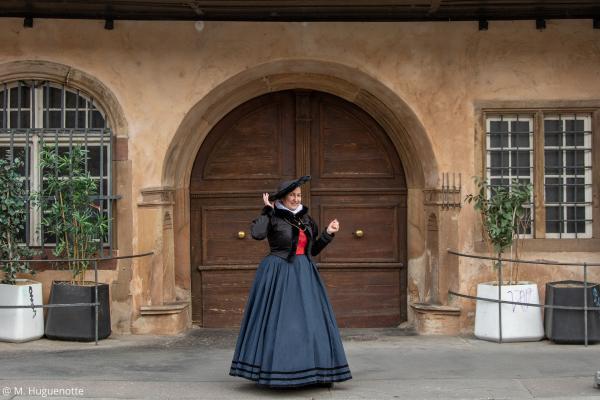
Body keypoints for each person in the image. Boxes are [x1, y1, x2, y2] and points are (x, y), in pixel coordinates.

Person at [229, 176, 352, 388]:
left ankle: (315, 372)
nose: (296, 199)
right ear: (283, 198)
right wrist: (267, 210)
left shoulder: (305, 219)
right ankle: (276, 371)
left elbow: (312, 250)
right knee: (282, 323)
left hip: (304, 273)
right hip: (278, 272)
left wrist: (328, 234)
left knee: (310, 323)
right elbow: (257, 234)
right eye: (292, 195)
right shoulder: (274, 217)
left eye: (299, 195)